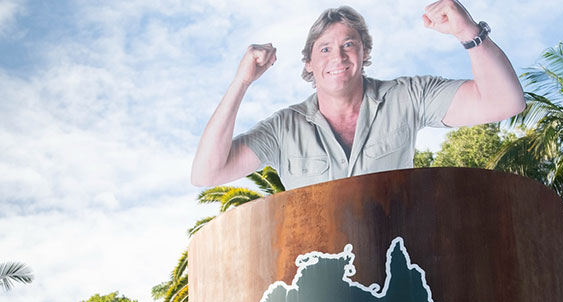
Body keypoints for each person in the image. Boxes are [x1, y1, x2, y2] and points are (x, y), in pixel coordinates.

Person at [191, 2, 524, 191]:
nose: (337, 57)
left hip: (393, 277)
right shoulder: (282, 129)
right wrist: (242, 80)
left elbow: (504, 102)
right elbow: (207, 174)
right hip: (321, 290)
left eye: (348, 44)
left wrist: (468, 33)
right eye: (324, 49)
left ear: (365, 53)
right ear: (309, 62)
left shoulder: (408, 96)